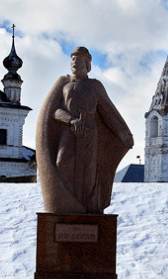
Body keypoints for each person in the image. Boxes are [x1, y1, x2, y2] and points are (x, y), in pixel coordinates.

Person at [36, 47, 134, 214]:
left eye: (79, 60)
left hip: (89, 131)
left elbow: (108, 112)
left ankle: (88, 207)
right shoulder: (64, 85)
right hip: (69, 130)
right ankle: (66, 205)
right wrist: (71, 120)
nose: (75, 63)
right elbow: (55, 111)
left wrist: (122, 132)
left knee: (88, 170)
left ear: (87, 64)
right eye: (73, 60)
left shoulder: (94, 86)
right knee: (62, 163)